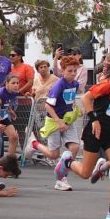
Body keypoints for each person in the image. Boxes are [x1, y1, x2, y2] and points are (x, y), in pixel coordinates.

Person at [57, 49, 110, 219]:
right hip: (95, 131)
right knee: (86, 173)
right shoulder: (109, 84)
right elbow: (87, 98)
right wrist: (93, 119)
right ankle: (67, 162)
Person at [43, 55, 82, 190]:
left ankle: (62, 177)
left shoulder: (75, 84)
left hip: (67, 119)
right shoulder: (59, 85)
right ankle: (34, 144)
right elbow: (48, 105)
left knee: (75, 147)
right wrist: (58, 121)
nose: (72, 74)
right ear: (63, 71)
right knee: (54, 154)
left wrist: (76, 108)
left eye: (75, 71)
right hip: (54, 120)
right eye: (70, 71)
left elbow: (71, 100)